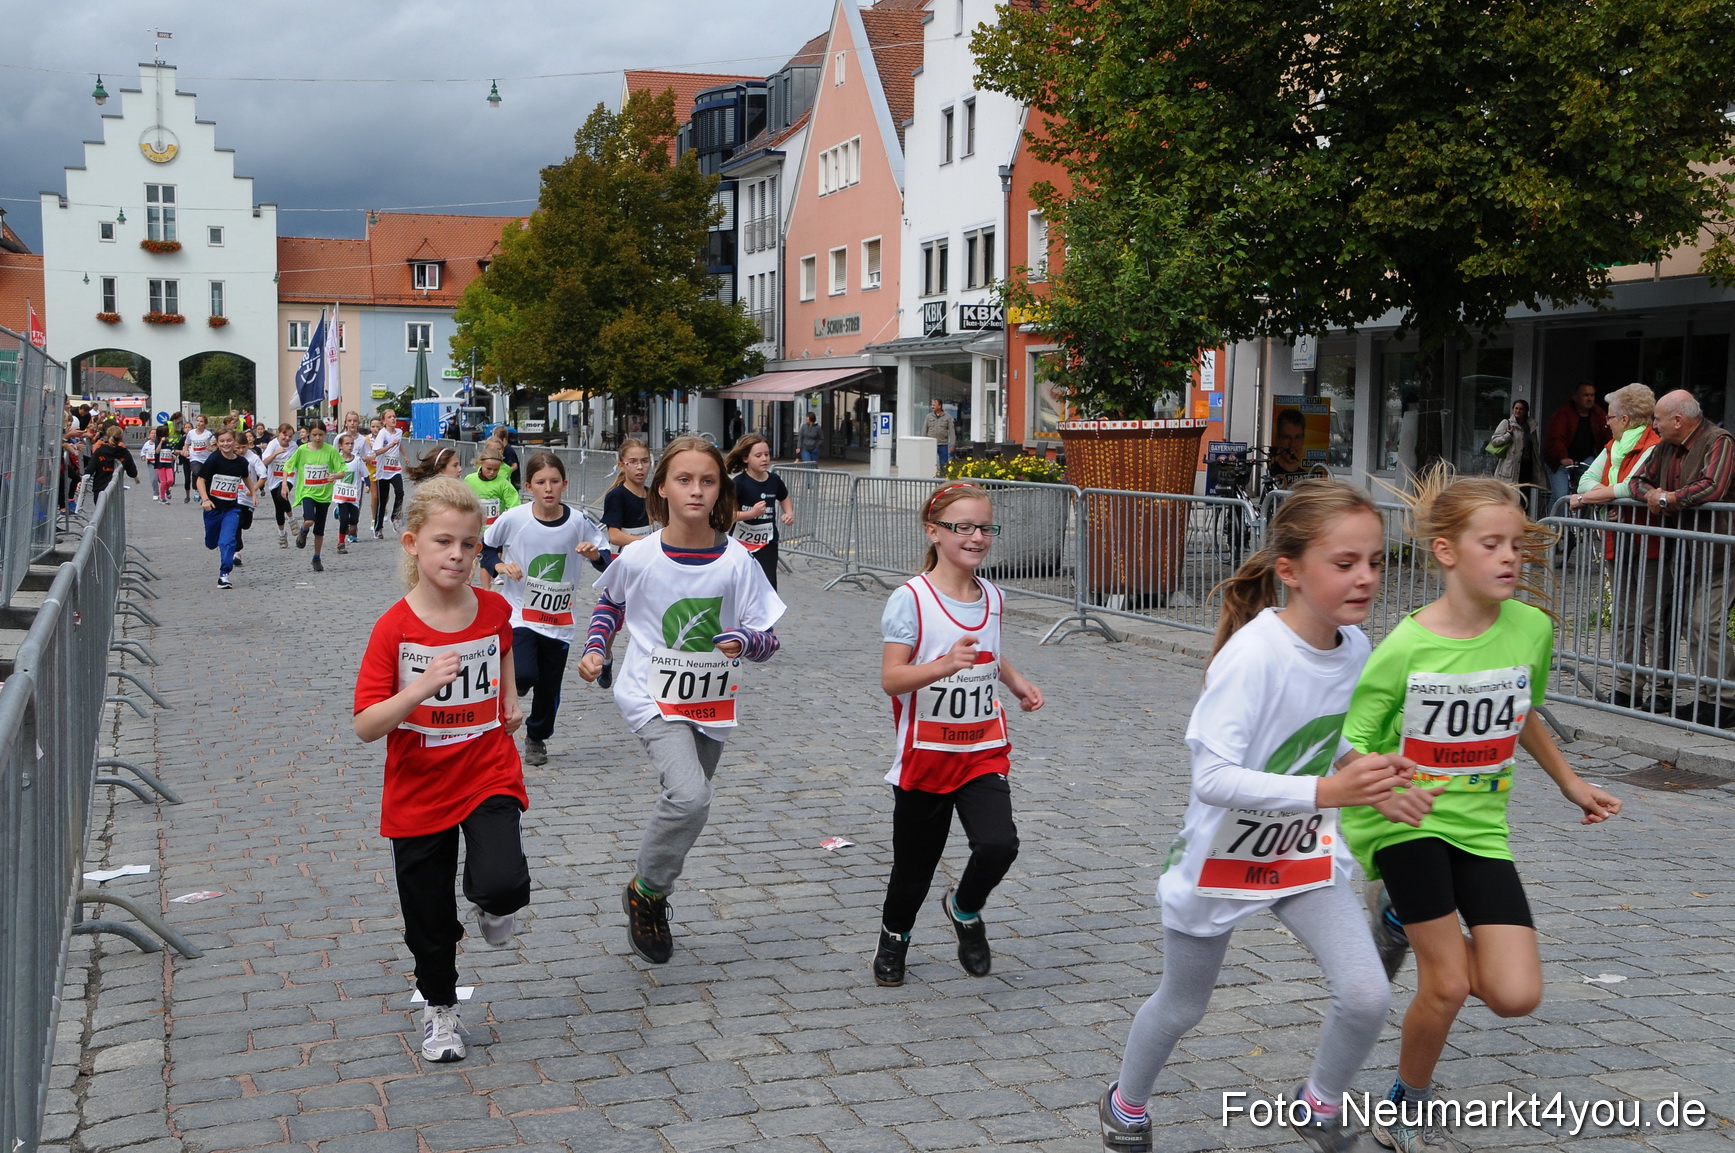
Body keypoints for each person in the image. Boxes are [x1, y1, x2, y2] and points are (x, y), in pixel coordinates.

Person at [1099, 480, 1412, 1153]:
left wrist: (1377, 775)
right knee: (1184, 1004)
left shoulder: (1354, 646)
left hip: (1300, 852)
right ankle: (1124, 1102)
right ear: (1290, 572)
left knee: (1364, 993)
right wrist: (1328, 791)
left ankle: (1317, 1102)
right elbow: (1212, 779)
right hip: (1219, 857)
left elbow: (1330, 741)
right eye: (1344, 562)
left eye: (1375, 561)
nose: (1365, 577)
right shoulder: (1253, 656)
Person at [1339, 469, 1621, 1153]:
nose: (1508, 558)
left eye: (1516, 545)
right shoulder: (1403, 647)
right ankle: (1403, 1102)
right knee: (1448, 985)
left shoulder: (1529, 628)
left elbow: (1521, 713)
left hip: (1480, 828)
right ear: (1445, 551)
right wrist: (1381, 789)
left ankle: (1397, 917)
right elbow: (1343, 746)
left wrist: (1569, 782)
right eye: (1491, 543)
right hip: (1404, 822)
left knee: (1514, 992)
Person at [577, 436, 785, 965]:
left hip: (712, 702)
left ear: (722, 491)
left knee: (689, 802)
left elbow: (768, 639)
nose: (695, 490)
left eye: (708, 481)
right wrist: (597, 649)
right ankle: (649, 892)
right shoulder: (641, 554)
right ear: (662, 487)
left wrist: (745, 642)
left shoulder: (738, 561)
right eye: (684, 480)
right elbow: (610, 602)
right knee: (692, 797)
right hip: (649, 693)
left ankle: (649, 885)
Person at [352, 478, 530, 1065]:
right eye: (444, 542)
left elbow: (502, 645)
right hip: (419, 786)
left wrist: (508, 700)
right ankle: (441, 1010)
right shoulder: (394, 628)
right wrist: (424, 686)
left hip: (486, 768)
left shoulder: (496, 608)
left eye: (470, 544)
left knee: (504, 882)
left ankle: (494, 902)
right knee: (428, 917)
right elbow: (366, 724)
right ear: (413, 545)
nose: (458, 555)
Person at [873, 483, 1044, 990]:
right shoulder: (911, 600)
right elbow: (892, 678)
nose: (976, 537)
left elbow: (989, 650)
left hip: (981, 748)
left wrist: (1015, 683)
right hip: (926, 753)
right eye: (963, 527)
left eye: (985, 528)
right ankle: (894, 938)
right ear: (934, 532)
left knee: (999, 845)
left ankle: (964, 908)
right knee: (914, 870)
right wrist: (945, 664)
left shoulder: (993, 595)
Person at [482, 452, 606, 767]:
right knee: (525, 672)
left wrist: (593, 555)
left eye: (554, 482)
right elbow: (485, 548)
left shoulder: (578, 522)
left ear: (564, 484)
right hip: (520, 613)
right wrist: (499, 564)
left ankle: (536, 737)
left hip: (560, 619)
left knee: (549, 687)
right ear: (528, 486)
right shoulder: (514, 519)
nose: (548, 488)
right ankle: (517, 682)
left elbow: (604, 557)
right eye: (540, 482)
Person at [1628, 389, 1735, 727]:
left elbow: (1712, 487)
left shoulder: (1719, 441)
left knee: (1708, 623)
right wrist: (1656, 495)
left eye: (1658, 418)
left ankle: (1727, 701)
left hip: (1721, 552)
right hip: (1688, 552)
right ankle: (1708, 698)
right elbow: (1636, 482)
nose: (1654, 424)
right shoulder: (1665, 447)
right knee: (1693, 623)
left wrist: (1668, 498)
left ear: (1678, 419)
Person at [1568, 384, 1664, 711]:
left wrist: (1596, 496)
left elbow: (1633, 488)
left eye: (1609, 417)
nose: (1605, 422)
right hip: (1617, 541)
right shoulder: (1613, 446)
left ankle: (1659, 689)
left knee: (1650, 618)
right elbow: (1586, 480)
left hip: (1649, 542)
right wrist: (1609, 494)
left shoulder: (1654, 446)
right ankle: (1627, 687)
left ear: (1625, 417)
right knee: (1624, 616)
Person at [599, 437, 655, 691]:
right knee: (616, 618)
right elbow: (614, 535)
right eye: (633, 462)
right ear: (622, 465)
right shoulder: (617, 496)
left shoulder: (654, 494)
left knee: (651, 614)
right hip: (624, 562)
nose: (640, 467)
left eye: (644, 461)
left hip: (650, 564)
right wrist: (643, 542)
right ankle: (607, 656)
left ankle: (651, 664)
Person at [725, 434, 794, 590]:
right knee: (742, 585)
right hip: (741, 544)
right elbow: (728, 514)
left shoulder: (774, 480)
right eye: (758, 455)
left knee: (768, 585)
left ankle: (767, 614)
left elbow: (784, 497)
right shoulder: (739, 483)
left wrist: (789, 513)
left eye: (767, 454)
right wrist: (751, 514)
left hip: (767, 543)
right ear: (745, 459)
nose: (764, 459)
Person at [196, 429, 256, 589]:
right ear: (217, 442)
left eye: (229, 440)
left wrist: (254, 494)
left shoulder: (242, 462)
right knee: (211, 543)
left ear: (234, 441)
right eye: (222, 441)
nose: (226, 444)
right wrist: (205, 499)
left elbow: (246, 478)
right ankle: (216, 544)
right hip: (213, 508)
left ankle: (224, 575)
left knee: (228, 541)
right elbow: (200, 480)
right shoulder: (213, 460)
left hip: (231, 508)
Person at [284, 422, 345, 572]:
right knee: (310, 520)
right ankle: (303, 531)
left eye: (321, 435)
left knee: (319, 529)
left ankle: (316, 557)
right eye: (315, 435)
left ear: (325, 434)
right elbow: (287, 466)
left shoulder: (330, 451)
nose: (318, 438)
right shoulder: (302, 450)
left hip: (324, 495)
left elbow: (342, 470)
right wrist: (284, 484)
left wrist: (334, 475)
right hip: (308, 492)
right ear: (310, 434)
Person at [1542, 380, 1609, 513]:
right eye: (1585, 395)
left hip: (1584, 458)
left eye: (1592, 395)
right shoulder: (1563, 414)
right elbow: (1555, 439)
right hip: (1559, 460)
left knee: (1592, 489)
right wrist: (1562, 457)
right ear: (1576, 397)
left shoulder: (1598, 413)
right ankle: (1554, 530)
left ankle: (1583, 526)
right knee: (1560, 495)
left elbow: (1607, 434)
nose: (1590, 399)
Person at [1487, 399, 1545, 508]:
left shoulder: (1531, 427)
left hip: (1526, 467)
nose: (1518, 411)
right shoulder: (1506, 423)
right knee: (1510, 497)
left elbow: (1534, 447)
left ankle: (1523, 521)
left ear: (1526, 411)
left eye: (1521, 409)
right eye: (1516, 408)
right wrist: (1508, 436)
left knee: (1524, 498)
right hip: (1510, 468)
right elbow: (1494, 441)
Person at [260, 424, 299, 547]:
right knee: (278, 507)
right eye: (285, 435)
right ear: (278, 433)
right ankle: (282, 534)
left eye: (290, 436)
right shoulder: (272, 444)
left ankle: (292, 520)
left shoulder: (294, 446)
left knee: (281, 495)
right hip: (274, 478)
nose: (287, 438)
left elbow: (298, 461)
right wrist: (275, 453)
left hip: (289, 477)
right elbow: (264, 462)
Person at [463, 448, 521, 530]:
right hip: (474, 528)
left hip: (494, 529)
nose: (492, 472)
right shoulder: (469, 480)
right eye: (489, 468)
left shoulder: (503, 483)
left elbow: (514, 505)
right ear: (481, 463)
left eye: (496, 469)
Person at [332, 433, 368, 554]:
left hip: (354, 496)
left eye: (352, 443)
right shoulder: (336, 460)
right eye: (347, 443)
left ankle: (339, 514)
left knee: (354, 520)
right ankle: (341, 543)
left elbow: (365, 473)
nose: (350, 446)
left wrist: (367, 485)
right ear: (341, 446)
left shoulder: (357, 460)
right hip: (341, 495)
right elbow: (331, 472)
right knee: (344, 520)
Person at [373, 408, 407, 536]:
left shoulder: (399, 432)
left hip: (394, 469)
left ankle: (395, 517)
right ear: (384, 421)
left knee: (400, 492)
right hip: (383, 471)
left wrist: (405, 456)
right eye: (389, 417)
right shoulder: (382, 434)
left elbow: (400, 444)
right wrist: (390, 446)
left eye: (394, 416)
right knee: (382, 501)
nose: (393, 419)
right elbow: (377, 451)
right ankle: (378, 527)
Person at [87, 426, 138, 496]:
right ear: (121, 439)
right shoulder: (124, 453)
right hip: (116, 489)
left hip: (100, 488)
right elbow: (132, 473)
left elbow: (90, 469)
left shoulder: (100, 451)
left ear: (107, 437)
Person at [1268, 408, 1310, 488]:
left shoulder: (1306, 477)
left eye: (1297, 437)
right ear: (1277, 439)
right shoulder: (1270, 474)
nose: (1292, 444)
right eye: (1287, 437)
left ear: (1303, 439)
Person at [182, 413, 217, 504]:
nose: (199, 423)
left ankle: (204, 495)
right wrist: (185, 451)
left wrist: (211, 449)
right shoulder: (191, 433)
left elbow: (214, 446)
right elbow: (187, 443)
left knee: (206, 477)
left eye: (201, 421)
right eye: (197, 421)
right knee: (196, 472)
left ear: (205, 424)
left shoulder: (208, 434)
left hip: (206, 458)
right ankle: (196, 489)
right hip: (195, 457)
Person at [146, 425, 176, 503]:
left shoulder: (168, 441)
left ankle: (167, 489)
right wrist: (161, 442)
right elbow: (157, 451)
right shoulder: (157, 440)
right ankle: (162, 498)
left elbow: (170, 450)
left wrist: (172, 455)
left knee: (170, 480)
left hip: (168, 463)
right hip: (160, 464)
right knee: (163, 482)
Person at [922, 400, 955, 468]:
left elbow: (952, 432)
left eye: (934, 405)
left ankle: (942, 476)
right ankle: (930, 477)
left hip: (943, 444)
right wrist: (923, 442)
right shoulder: (928, 417)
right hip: (930, 444)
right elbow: (924, 430)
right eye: (932, 405)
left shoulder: (947, 417)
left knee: (944, 464)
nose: (932, 407)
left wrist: (952, 444)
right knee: (930, 463)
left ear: (939, 406)